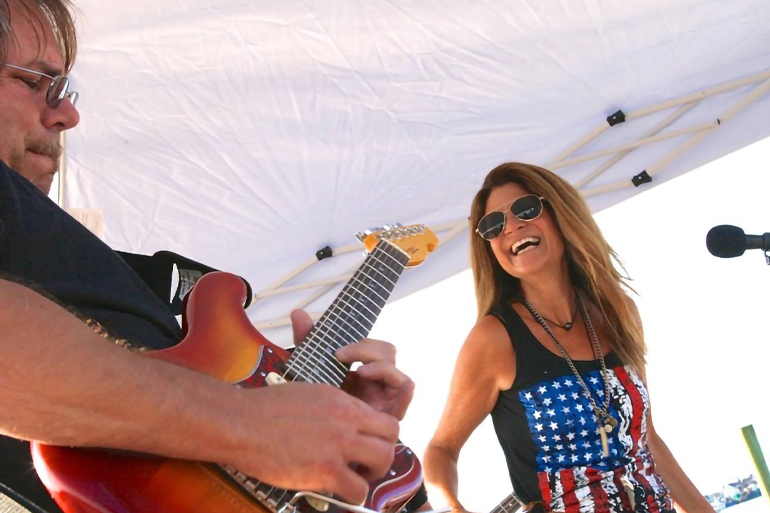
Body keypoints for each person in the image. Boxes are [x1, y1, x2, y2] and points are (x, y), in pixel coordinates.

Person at [0, 1, 424, 512]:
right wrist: (244, 424)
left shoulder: (108, 266)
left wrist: (323, 423)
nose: (67, 113)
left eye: (65, 90)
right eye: (37, 82)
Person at [423, 163, 714, 513]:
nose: (512, 227)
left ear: (560, 212)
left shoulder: (618, 311)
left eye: (525, 209)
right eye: (493, 225)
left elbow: (646, 439)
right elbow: (441, 449)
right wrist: (452, 508)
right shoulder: (494, 339)